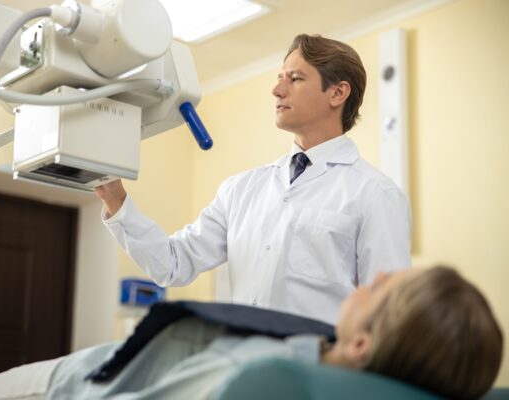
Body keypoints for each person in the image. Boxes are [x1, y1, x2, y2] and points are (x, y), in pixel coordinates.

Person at [95, 34, 412, 325]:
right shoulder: (240, 190)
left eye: (295, 78)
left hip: (320, 377)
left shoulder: (375, 193)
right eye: (279, 78)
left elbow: (388, 314)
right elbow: (172, 264)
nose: (277, 90)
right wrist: (115, 198)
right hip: (248, 370)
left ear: (338, 92)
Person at [0, 265, 504, 400]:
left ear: (363, 344)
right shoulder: (313, 352)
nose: (376, 274)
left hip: (75, 383)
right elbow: (179, 258)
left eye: (383, 288)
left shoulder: (251, 374)